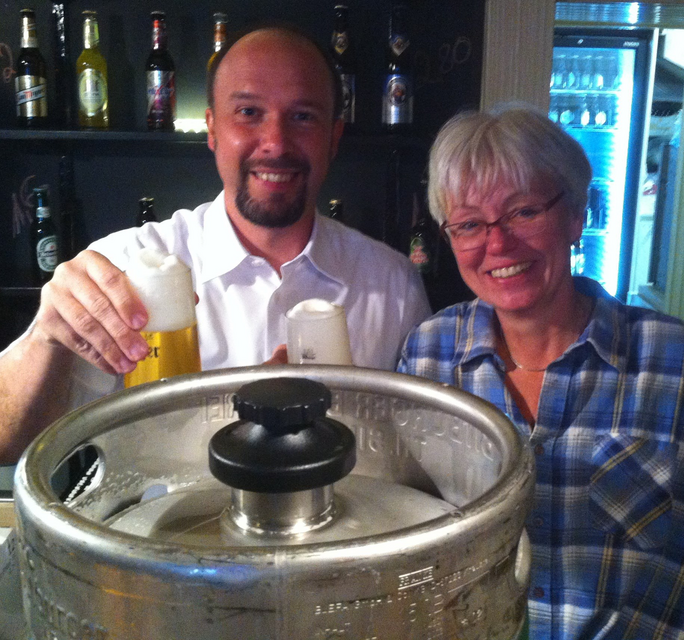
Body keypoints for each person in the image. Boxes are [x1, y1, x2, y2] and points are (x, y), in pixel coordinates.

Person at [0, 26, 430, 463]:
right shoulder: (126, 265)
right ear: (211, 129)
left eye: (303, 116)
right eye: (248, 112)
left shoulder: (393, 284)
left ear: (334, 138)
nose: (276, 143)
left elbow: (421, 458)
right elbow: (6, 440)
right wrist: (46, 339)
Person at [397, 106, 684, 640]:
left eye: (524, 211)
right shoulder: (428, 354)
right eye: (469, 224)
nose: (498, 244)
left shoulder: (673, 360)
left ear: (576, 215)